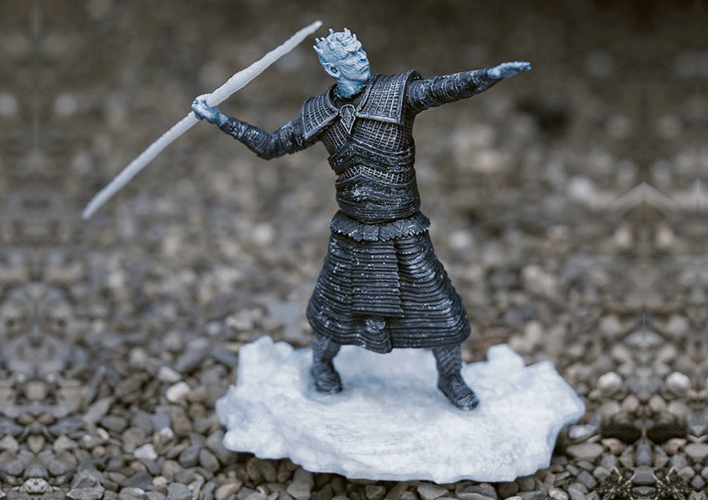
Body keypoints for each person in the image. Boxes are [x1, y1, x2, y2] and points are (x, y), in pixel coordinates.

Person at [193, 28, 530, 410]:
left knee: (442, 311)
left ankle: (450, 377)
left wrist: (488, 75)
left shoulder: (396, 95)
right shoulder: (319, 113)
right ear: (332, 67)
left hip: (402, 229)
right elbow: (272, 145)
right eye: (351, 56)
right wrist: (221, 120)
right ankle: (322, 364)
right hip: (353, 232)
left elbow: (441, 89)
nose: (362, 58)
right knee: (333, 310)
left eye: (359, 51)